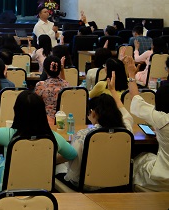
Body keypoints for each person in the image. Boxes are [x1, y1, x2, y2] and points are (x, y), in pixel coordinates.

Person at [0, 82, 77, 193]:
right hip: (40, 188)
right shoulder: (53, 137)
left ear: (16, 111)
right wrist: (49, 160)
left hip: (5, 188)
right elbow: (72, 154)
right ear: (42, 112)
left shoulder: (10, 135)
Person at [62, 73, 133, 190]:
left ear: (93, 113)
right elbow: (126, 115)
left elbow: (74, 172)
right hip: (118, 185)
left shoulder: (83, 135)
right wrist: (113, 91)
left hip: (87, 187)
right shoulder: (127, 131)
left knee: (59, 169)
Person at [124, 56, 169, 191]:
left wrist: (131, 75)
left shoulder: (161, 118)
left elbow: (136, 99)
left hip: (161, 179)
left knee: (139, 159)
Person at [34, 55, 69, 120]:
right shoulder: (66, 85)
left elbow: (35, 105)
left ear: (44, 69)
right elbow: (64, 84)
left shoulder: (41, 85)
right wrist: (62, 69)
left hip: (45, 120)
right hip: (63, 120)